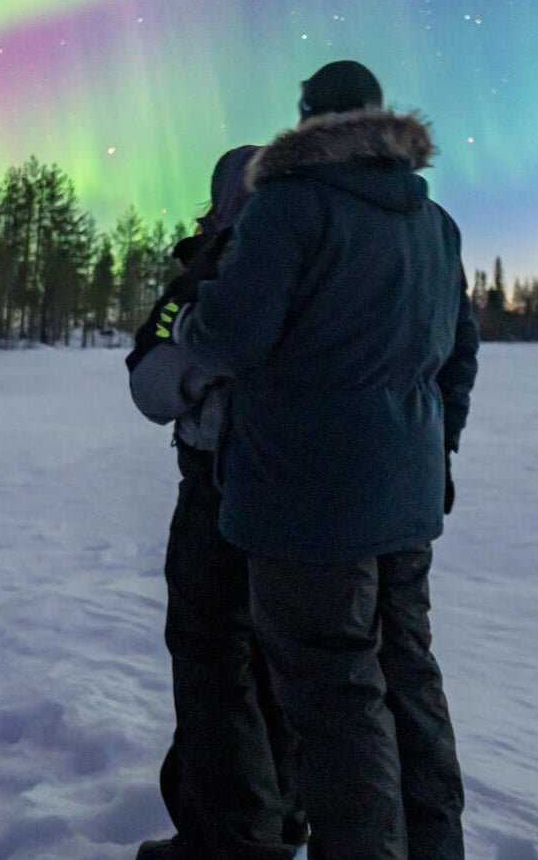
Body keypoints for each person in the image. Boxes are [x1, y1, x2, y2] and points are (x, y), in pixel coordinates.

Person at [161, 61, 479, 860]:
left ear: (306, 122)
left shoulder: (289, 207)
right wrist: (435, 448)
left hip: (304, 499)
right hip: (404, 496)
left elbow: (231, 335)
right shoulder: (433, 222)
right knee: (407, 676)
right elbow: (457, 360)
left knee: (334, 695)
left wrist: (190, 322)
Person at [127, 147, 306, 860]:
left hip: (223, 484)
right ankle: (276, 817)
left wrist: (191, 371)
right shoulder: (318, 262)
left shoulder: (223, 267)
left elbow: (153, 377)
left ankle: (235, 837)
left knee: (213, 658)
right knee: (273, 663)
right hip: (308, 497)